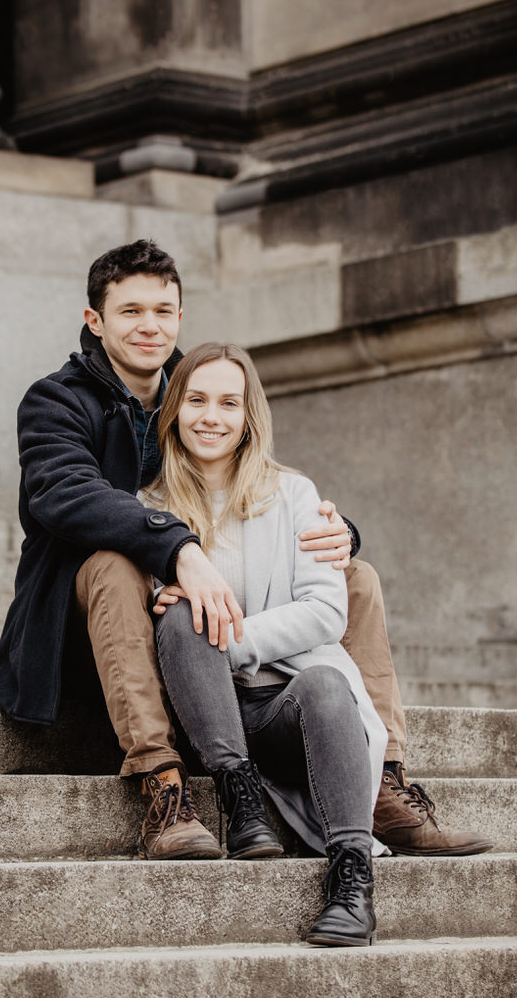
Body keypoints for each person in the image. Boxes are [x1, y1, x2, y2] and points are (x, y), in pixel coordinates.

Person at [0, 238, 490, 861]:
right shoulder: (56, 401)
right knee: (114, 565)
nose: (150, 326)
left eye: (164, 311)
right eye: (131, 311)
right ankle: (163, 788)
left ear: (180, 318)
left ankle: (382, 781)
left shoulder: (194, 392)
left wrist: (335, 530)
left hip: (205, 630)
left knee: (352, 577)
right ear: (95, 320)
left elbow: (259, 485)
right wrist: (179, 551)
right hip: (95, 630)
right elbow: (67, 494)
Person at [146, 342, 391, 944]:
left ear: (249, 415)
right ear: (174, 409)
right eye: (197, 400)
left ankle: (351, 882)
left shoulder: (296, 497)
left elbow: (327, 613)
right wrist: (193, 637)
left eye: (229, 403)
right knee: (181, 618)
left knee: (326, 681)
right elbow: (162, 624)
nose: (211, 416)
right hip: (205, 716)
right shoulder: (148, 506)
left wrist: (219, 643)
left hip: (285, 706)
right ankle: (242, 801)